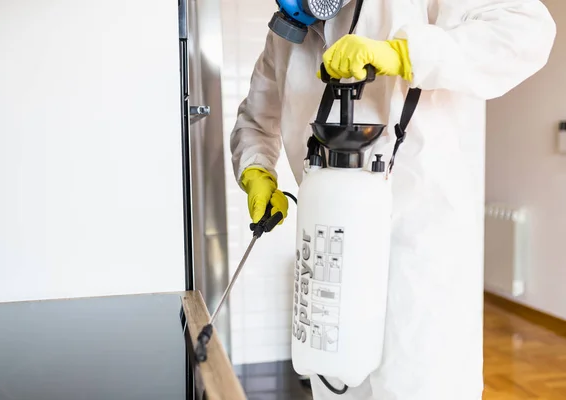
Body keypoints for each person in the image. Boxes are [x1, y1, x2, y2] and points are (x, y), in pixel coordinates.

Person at [230, 1, 556, 399]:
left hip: (419, 244)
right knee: (335, 377)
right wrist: (256, 171)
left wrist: (404, 54)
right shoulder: (290, 31)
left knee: (417, 382)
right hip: (330, 240)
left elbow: (529, 31)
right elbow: (255, 116)